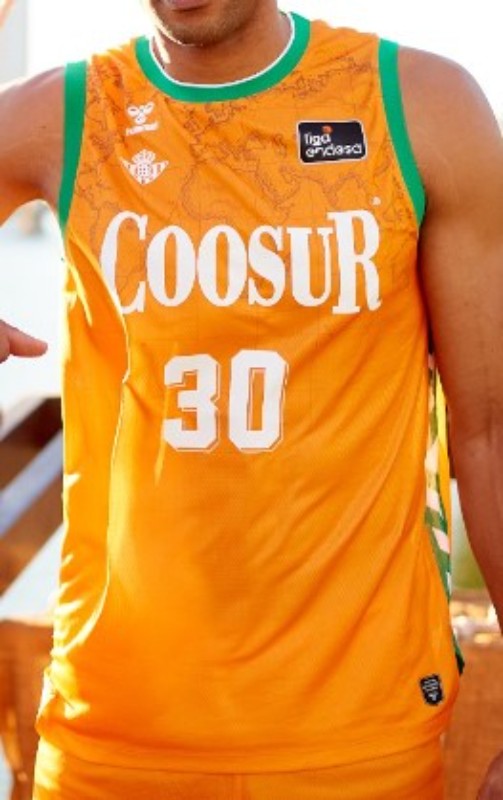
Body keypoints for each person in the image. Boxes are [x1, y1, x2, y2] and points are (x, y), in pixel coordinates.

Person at [1, 1, 502, 797]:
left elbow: (487, 433)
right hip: (109, 742)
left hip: (360, 743)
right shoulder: (66, 112)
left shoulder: (417, 105)